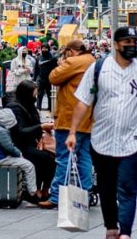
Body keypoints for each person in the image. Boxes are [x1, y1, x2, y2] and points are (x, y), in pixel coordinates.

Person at [66, 26, 137, 239]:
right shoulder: (99, 68)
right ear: (116, 44)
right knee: (107, 189)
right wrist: (72, 132)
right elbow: (83, 102)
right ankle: (111, 231)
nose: (131, 46)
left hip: (134, 140)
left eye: (134, 42)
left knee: (127, 189)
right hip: (102, 140)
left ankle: (125, 236)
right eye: (127, 41)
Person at [38, 39, 95, 210]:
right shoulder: (93, 61)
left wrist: (61, 63)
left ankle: (56, 196)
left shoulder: (73, 62)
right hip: (88, 118)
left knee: (63, 159)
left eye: (65, 53)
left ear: (70, 51)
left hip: (70, 119)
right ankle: (85, 194)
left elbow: (53, 77)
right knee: (85, 158)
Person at [8, 80, 56, 199]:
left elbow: (34, 124)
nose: (35, 97)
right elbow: (20, 131)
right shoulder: (16, 108)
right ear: (26, 93)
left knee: (51, 157)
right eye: (34, 94)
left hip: (31, 142)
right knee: (43, 158)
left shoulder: (29, 105)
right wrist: (41, 127)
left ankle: (45, 188)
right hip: (18, 145)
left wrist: (43, 127)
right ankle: (37, 189)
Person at [0, 108, 42, 205]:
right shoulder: (2, 131)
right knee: (28, 166)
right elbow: (9, 147)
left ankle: (25, 189)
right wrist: (19, 154)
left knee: (24, 165)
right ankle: (32, 192)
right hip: (2, 158)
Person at [34, 45, 57, 112]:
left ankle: (50, 109)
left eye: (46, 48)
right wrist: (35, 79)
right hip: (40, 78)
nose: (44, 50)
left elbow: (55, 69)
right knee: (39, 94)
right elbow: (36, 69)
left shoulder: (53, 58)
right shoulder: (39, 58)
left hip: (49, 79)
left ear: (48, 49)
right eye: (43, 48)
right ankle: (38, 108)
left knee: (50, 94)